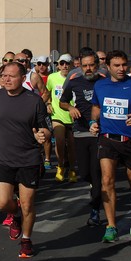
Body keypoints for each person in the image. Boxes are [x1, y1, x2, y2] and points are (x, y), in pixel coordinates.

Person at [0, 61, 52, 258]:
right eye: (4, 75)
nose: (6, 79)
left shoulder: (34, 101)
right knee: (3, 202)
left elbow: (46, 128)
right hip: (3, 157)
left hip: (28, 159)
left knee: (28, 205)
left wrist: (43, 135)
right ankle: (14, 216)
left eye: (11, 76)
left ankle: (26, 240)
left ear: (23, 79)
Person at [90, 50, 131, 243]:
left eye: (124, 65)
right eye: (117, 65)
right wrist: (92, 122)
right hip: (107, 139)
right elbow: (96, 107)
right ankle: (111, 226)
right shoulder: (100, 85)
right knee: (107, 181)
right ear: (108, 66)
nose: (121, 69)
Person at [60, 50, 105, 226]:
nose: (88, 69)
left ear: (97, 65)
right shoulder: (75, 82)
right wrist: (70, 108)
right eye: (84, 65)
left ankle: (95, 210)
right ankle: (95, 188)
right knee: (84, 172)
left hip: (98, 133)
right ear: (80, 65)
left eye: (91, 65)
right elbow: (62, 101)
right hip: (79, 132)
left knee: (95, 173)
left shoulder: (104, 82)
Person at [46, 53, 76, 182]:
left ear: (72, 65)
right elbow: (47, 93)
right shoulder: (52, 78)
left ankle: (72, 169)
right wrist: (47, 103)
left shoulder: (76, 78)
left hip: (73, 116)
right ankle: (60, 166)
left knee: (72, 145)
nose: (64, 66)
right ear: (58, 65)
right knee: (59, 141)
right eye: (62, 63)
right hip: (57, 116)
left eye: (67, 63)